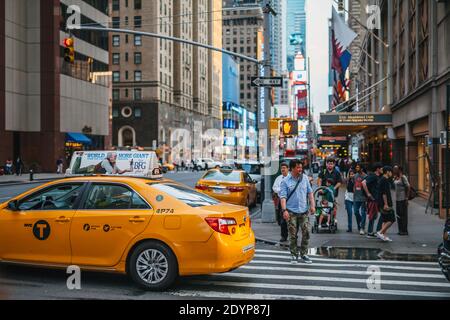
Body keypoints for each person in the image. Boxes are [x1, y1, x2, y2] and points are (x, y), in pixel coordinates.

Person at [279, 159, 316, 264]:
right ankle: (294, 255)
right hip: (291, 212)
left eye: (301, 167)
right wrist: (284, 210)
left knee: (307, 232)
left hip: (304, 211)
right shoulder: (285, 181)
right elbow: (283, 197)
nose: (300, 169)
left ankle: (304, 253)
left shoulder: (304, 178)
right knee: (293, 234)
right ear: (292, 168)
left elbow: (310, 193)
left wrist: (313, 206)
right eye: (298, 167)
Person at [363, 163, 384, 238]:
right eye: (381, 168)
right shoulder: (373, 176)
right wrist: (368, 193)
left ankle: (375, 231)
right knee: (373, 215)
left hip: (376, 199)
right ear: (377, 169)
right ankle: (371, 232)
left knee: (375, 215)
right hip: (373, 199)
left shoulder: (378, 177)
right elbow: (363, 182)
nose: (382, 170)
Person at [376, 166, 396, 242]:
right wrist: (386, 204)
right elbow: (384, 193)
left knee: (385, 219)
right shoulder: (384, 180)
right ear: (387, 172)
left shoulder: (383, 179)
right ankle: (380, 232)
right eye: (391, 172)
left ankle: (383, 235)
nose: (391, 174)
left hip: (382, 203)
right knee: (391, 219)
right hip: (384, 203)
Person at [272, 162, 289, 242]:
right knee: (281, 220)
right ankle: (284, 236)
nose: (283, 169)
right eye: (282, 168)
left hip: (290, 201)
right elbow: (274, 187)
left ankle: (289, 235)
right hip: (281, 200)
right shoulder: (279, 178)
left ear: (288, 169)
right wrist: (281, 190)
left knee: (291, 219)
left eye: (284, 168)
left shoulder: (291, 178)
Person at [394, 166, 410, 235]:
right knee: (398, 215)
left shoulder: (403, 177)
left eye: (395, 169)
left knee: (403, 215)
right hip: (397, 199)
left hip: (403, 198)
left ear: (399, 170)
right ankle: (400, 230)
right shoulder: (395, 177)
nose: (394, 170)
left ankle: (404, 231)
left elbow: (408, 186)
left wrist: (407, 198)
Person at [353, 164, 368, 235]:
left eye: (358, 167)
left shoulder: (365, 176)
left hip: (363, 197)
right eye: (356, 167)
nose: (356, 168)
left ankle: (362, 228)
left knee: (363, 212)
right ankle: (361, 223)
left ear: (361, 169)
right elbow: (354, 185)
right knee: (356, 211)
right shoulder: (355, 176)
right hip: (356, 197)